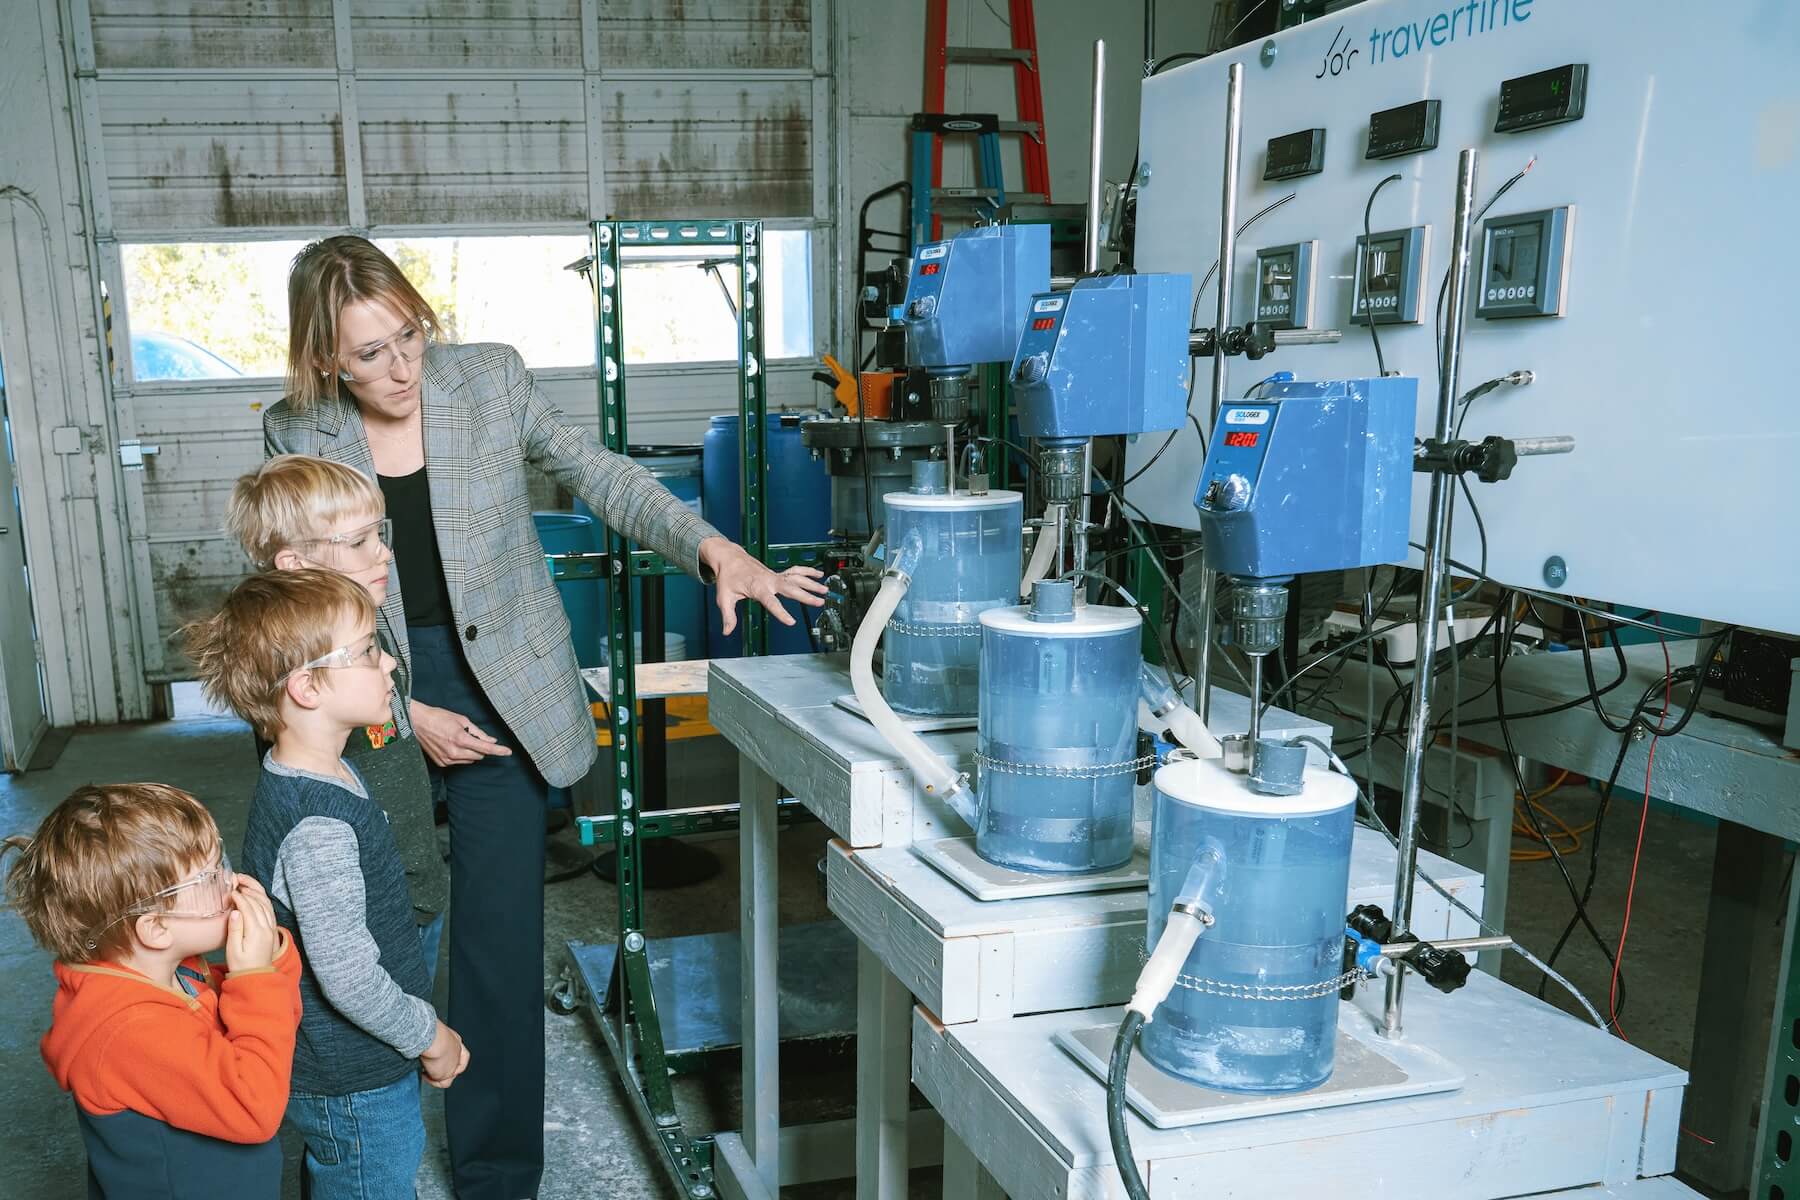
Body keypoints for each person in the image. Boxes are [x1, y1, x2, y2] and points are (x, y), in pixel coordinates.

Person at [264, 234, 826, 1197]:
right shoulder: (295, 432)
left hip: (503, 695)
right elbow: (296, 601)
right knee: (377, 931)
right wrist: (404, 708)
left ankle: (496, 1175)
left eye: (410, 336)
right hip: (373, 686)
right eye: (370, 354)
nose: (401, 368)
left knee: (494, 943)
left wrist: (714, 550)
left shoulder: (486, 380)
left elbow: (599, 472)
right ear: (325, 359)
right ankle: (371, 1149)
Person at [186, 569, 472, 1199]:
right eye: (369, 650)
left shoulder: (319, 770)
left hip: (351, 1069)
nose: (390, 661)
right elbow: (348, 976)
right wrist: (430, 1035)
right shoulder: (317, 825)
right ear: (307, 686)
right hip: (353, 1080)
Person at [3, 782, 301, 1198]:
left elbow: (267, 1027)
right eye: (209, 878)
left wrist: (268, 962)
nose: (230, 882)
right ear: (156, 928)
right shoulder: (128, 1032)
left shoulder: (174, 971)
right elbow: (256, 1107)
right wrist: (255, 976)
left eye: (223, 864)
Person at [225, 452, 450, 982]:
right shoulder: (304, 669)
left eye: (380, 533)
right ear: (294, 565)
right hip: (369, 914)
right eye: (358, 543)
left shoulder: (370, 625)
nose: (385, 554)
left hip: (416, 884)